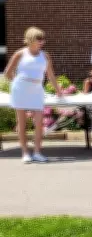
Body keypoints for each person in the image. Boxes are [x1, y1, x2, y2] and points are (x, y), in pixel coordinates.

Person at [4, 27, 62, 164]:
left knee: (39, 123)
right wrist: (18, 83)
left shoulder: (45, 55)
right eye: (39, 38)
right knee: (22, 123)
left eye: (43, 39)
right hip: (21, 89)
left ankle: (37, 152)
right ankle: (25, 153)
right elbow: (7, 72)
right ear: (30, 39)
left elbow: (51, 75)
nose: (42, 41)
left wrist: (58, 90)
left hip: (37, 89)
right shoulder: (20, 53)